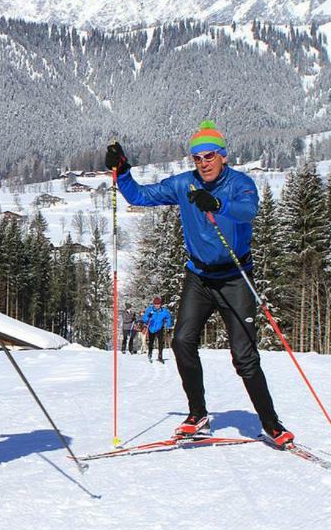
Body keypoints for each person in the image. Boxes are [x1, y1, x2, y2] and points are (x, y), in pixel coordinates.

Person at [105, 121, 294, 446]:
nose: (203, 163)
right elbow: (139, 196)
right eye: (197, 158)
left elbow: (248, 212)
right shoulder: (184, 185)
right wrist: (122, 171)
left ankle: (271, 424)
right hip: (200, 277)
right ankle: (198, 415)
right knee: (181, 342)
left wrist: (218, 204)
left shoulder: (240, 184)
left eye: (209, 156)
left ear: (222, 156)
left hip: (235, 278)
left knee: (244, 357)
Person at [141, 296, 172, 363]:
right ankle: (150, 353)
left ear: (160, 304)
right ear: (153, 304)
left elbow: (168, 317)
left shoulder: (164, 311)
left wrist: (169, 326)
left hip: (159, 328)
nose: (157, 306)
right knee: (151, 342)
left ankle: (160, 356)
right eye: (155, 304)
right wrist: (148, 317)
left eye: (158, 304)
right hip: (151, 328)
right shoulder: (150, 310)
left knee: (161, 342)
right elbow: (144, 319)